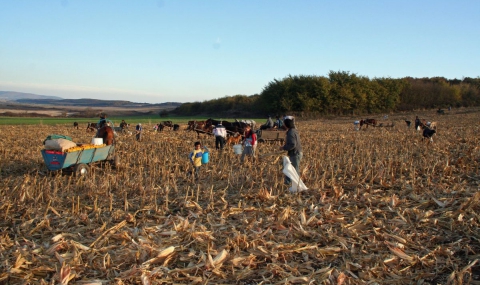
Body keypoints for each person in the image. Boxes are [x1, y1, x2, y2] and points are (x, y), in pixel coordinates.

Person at [279, 117, 303, 185]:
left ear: (286, 125)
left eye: (284, 123)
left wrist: (284, 147)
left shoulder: (291, 133)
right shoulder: (294, 131)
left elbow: (293, 144)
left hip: (295, 153)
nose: (283, 125)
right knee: (290, 168)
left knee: (295, 170)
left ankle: (298, 185)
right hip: (296, 152)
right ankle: (288, 182)